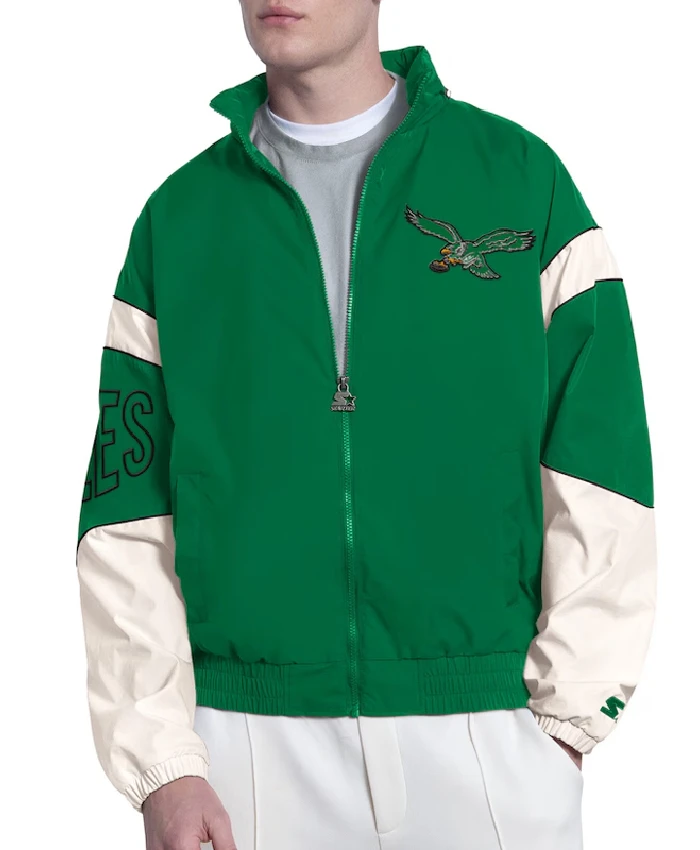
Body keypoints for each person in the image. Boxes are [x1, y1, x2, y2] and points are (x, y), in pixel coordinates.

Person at [75, 2, 657, 848]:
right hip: (244, 747)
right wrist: (162, 763)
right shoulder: (181, 219)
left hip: (485, 733)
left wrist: (567, 720)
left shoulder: (519, 180)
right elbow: (128, 509)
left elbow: (601, 458)